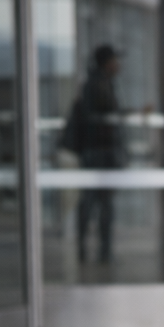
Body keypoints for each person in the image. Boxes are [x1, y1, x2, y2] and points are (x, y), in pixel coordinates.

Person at [65, 44, 124, 264]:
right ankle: (94, 249)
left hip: (98, 152)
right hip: (98, 153)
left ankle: (98, 249)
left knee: (97, 202)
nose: (118, 65)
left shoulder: (100, 83)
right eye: (115, 60)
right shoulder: (97, 85)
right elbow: (107, 116)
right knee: (95, 202)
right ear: (106, 63)